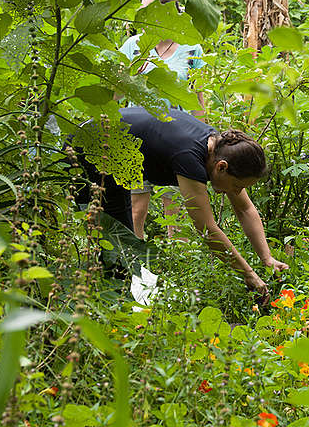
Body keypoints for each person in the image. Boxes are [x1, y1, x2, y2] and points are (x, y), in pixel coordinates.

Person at [81, 106, 288, 294]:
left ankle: (114, 296)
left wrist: (267, 258)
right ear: (221, 167)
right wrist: (249, 274)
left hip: (113, 156)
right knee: (117, 245)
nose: (237, 192)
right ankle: (111, 307)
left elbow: (245, 210)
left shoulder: (219, 148)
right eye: (237, 186)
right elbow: (206, 229)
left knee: (121, 243)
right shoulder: (189, 156)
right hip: (88, 152)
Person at [120, 0, 206, 240]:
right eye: (141, 10)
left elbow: (197, 97)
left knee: (176, 210)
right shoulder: (131, 47)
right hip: (135, 137)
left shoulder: (192, 49)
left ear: (168, 12)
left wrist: (202, 142)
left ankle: (176, 268)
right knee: (136, 208)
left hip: (176, 138)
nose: (142, 16)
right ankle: (134, 265)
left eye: (150, 10)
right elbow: (115, 92)